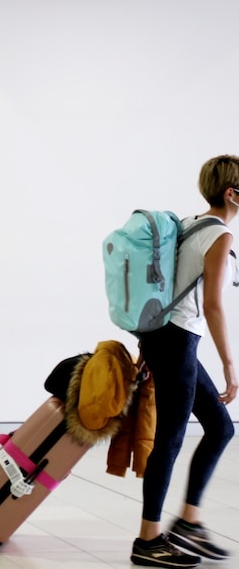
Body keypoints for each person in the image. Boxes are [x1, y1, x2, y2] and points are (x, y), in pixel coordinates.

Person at [131, 155, 239, 568]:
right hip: (177, 343)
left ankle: (189, 521)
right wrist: (231, 366)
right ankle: (148, 540)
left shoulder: (192, 224)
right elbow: (211, 306)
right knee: (170, 441)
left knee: (220, 428)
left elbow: (168, 288)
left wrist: (149, 347)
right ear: (232, 192)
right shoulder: (220, 236)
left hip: (167, 339)